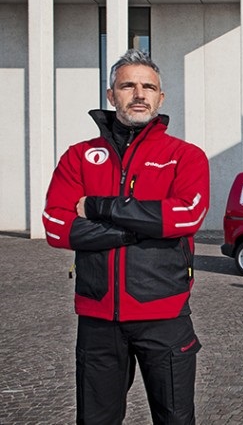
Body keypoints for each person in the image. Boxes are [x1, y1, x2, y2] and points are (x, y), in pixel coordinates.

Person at [42, 49, 210, 424]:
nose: (139, 93)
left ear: (160, 98)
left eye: (148, 86)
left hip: (165, 318)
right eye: (128, 85)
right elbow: (55, 225)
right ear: (110, 95)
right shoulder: (79, 157)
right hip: (98, 320)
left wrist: (100, 207)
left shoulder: (185, 156)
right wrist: (140, 229)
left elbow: (187, 215)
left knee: (175, 419)